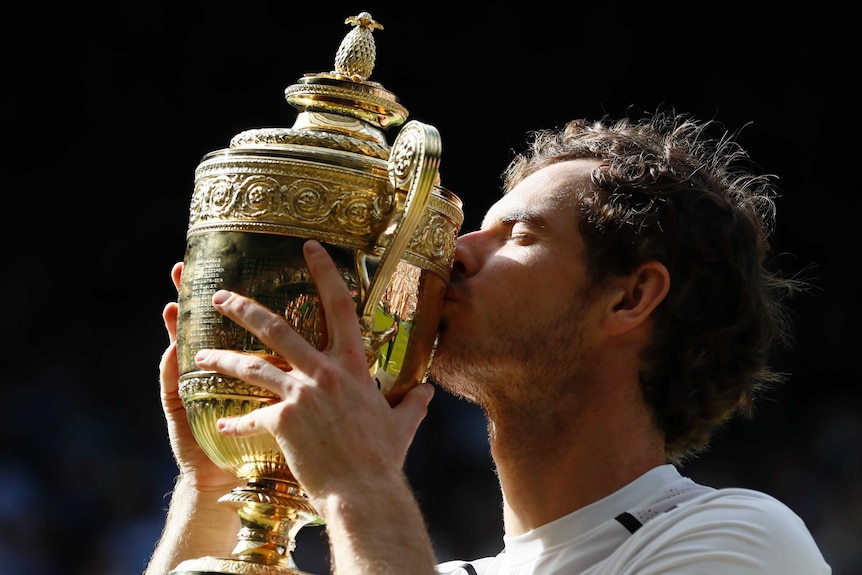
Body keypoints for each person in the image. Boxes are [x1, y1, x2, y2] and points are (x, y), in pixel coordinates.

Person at [145, 109, 831, 574]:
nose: (457, 253)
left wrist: (361, 483)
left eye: (518, 236)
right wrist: (218, 476)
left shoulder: (741, 540)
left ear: (629, 297)